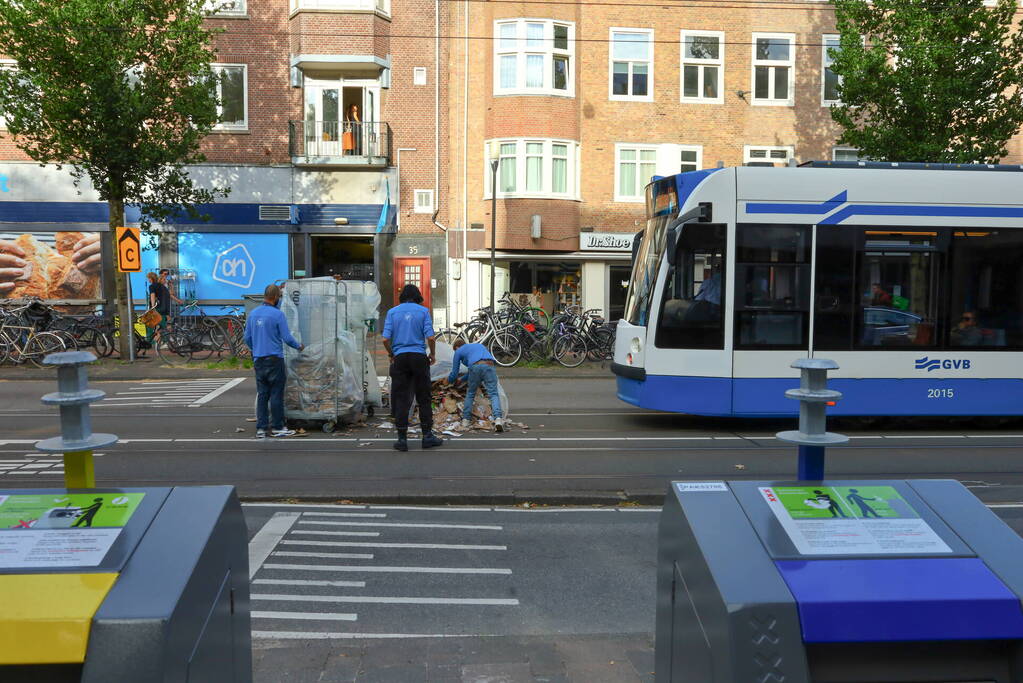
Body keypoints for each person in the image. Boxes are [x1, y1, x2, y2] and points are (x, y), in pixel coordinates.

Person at [383, 284, 443, 452]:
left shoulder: (392, 312)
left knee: (402, 398)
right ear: (418, 297)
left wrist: (391, 354)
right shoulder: (423, 312)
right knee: (424, 398)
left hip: (400, 358)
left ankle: (402, 439)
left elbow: (385, 339)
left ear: (402, 297)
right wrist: (432, 354)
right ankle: (427, 437)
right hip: (418, 357)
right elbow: (431, 338)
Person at [244, 284, 304, 438]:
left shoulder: (253, 314)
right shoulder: (278, 315)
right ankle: (278, 427)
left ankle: (261, 429)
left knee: (262, 394)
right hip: (274, 359)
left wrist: (256, 349)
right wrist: (299, 346)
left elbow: (247, 338)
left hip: (259, 359)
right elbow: (287, 338)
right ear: (276, 297)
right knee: (276, 394)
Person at [446, 338, 505, 432]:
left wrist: (448, 381)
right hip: (490, 365)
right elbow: (475, 368)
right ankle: (498, 420)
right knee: (493, 394)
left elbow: (455, 372)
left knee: (470, 394)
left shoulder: (458, 351)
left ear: (457, 347)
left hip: (475, 366)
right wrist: (462, 379)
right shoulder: (478, 346)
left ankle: (466, 420)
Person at [144, 271, 170, 352]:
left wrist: (152, 308)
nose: (148, 280)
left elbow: (152, 296)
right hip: (164, 309)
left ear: (151, 278)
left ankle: (150, 342)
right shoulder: (162, 286)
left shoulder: (152, 286)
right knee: (162, 325)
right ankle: (163, 341)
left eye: (148, 278)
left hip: (158, 309)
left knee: (149, 323)